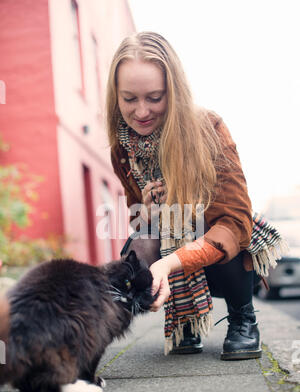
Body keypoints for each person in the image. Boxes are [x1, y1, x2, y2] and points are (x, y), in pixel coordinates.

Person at [106, 31, 285, 359]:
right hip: (172, 237)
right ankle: (185, 322)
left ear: (173, 92)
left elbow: (233, 222)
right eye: (130, 99)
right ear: (115, 96)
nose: (141, 111)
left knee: (217, 227)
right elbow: (137, 221)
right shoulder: (123, 148)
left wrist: (169, 263)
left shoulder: (208, 129)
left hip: (222, 248)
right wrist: (147, 212)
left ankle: (243, 317)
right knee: (137, 245)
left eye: (155, 97)